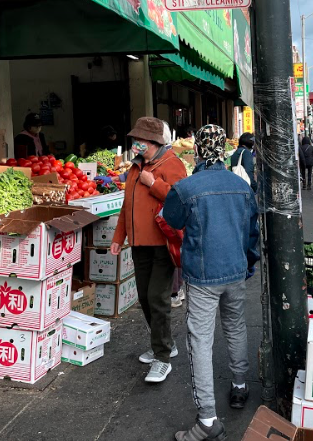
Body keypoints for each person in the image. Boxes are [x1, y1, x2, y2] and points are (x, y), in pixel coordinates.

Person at [163, 124, 260, 441]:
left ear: (197, 152)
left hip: (203, 274)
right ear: (224, 152)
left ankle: (207, 421)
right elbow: (252, 232)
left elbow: (172, 219)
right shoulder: (241, 186)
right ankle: (240, 386)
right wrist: (248, 263)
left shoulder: (186, 188)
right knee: (236, 325)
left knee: (200, 341)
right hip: (235, 268)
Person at [110, 117, 187, 383]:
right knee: (144, 296)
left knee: (157, 297)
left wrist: (152, 183)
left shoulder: (171, 164)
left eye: (139, 141)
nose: (134, 145)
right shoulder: (135, 168)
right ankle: (164, 342)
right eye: (134, 140)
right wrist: (119, 237)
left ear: (153, 143)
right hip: (139, 244)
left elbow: (180, 201)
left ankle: (163, 356)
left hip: (163, 243)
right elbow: (126, 207)